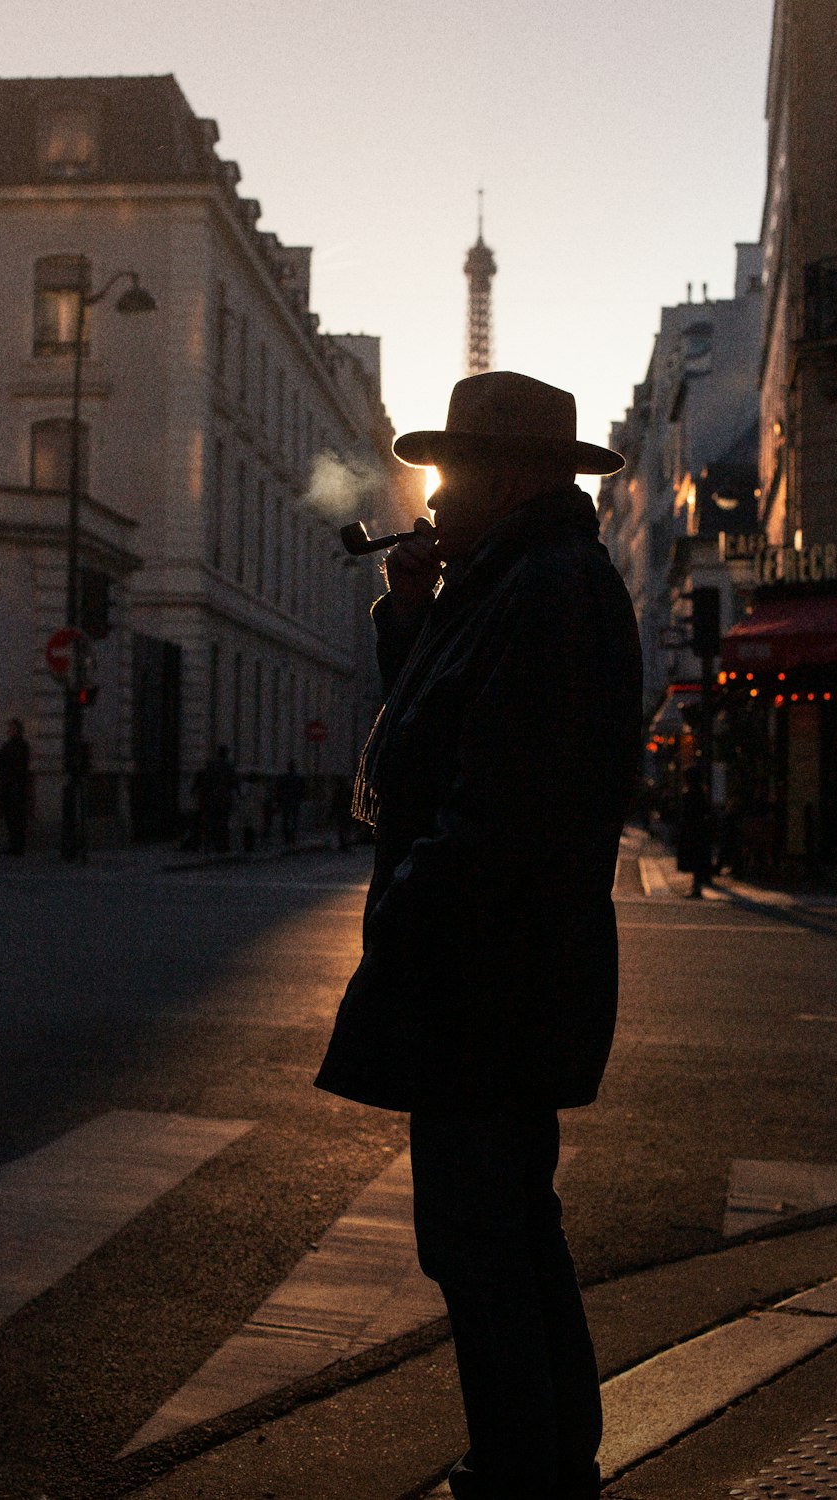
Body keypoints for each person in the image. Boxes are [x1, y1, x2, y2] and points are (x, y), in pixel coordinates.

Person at [315, 372, 642, 1500]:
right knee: (503, 1228)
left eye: (451, 472)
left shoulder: (542, 589)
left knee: (480, 1240)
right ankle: (544, 1457)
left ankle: (525, 1471)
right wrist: (411, 613)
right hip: (500, 975)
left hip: (486, 978)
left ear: (505, 480)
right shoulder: (519, 580)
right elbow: (435, 728)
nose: (433, 494)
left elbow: (498, 800)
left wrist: (410, 906)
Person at [0, 718, 31, 855]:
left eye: (11, 728)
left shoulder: (19, 746)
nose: (9, 731)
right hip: (11, 785)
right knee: (12, 818)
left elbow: (10, 763)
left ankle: (17, 846)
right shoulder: (10, 745)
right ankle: (15, 845)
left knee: (16, 818)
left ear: (17, 730)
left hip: (15, 786)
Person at [277, 759, 305, 845]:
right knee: (293, 820)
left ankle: (287, 838)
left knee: (286, 820)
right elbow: (302, 790)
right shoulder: (298, 779)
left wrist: (280, 800)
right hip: (294, 801)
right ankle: (292, 837)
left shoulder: (284, 778)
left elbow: (280, 790)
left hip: (287, 801)